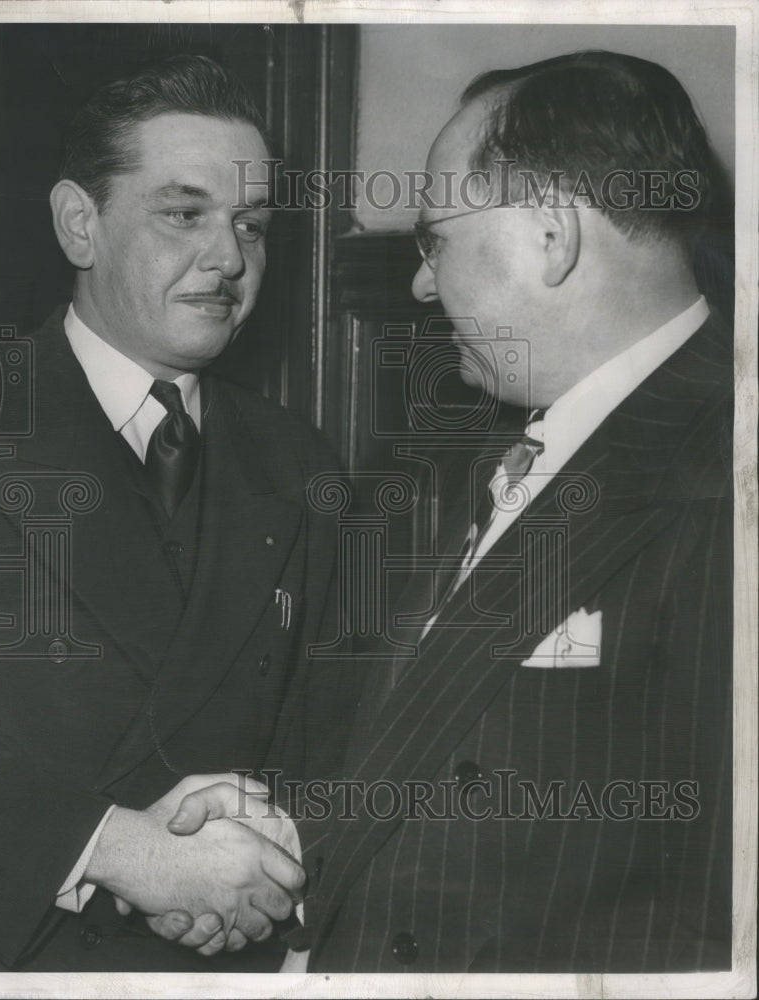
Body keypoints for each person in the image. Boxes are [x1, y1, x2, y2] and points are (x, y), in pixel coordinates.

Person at [170, 50, 733, 973]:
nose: (424, 285)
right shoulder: (526, 441)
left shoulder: (725, 475)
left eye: (435, 240)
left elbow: (711, 933)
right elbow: (465, 760)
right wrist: (292, 840)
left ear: (549, 237)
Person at [0, 54, 342, 972]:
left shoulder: (300, 461)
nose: (228, 259)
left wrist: (262, 873)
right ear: (78, 224)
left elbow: (332, 733)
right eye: (185, 215)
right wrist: (107, 848)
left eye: (251, 226)